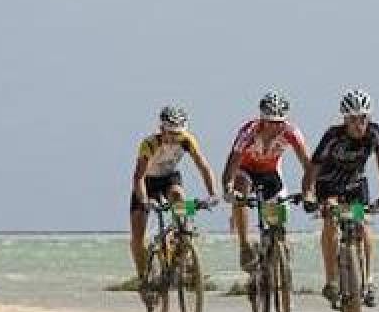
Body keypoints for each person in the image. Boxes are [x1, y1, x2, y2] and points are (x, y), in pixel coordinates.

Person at [304, 88, 379, 307]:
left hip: (355, 185)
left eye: (363, 118)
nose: (358, 124)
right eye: (353, 119)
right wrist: (308, 194)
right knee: (331, 221)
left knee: (362, 222)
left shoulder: (375, 133)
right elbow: (313, 168)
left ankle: (369, 280)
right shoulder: (333, 136)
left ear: (369, 117)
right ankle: (331, 280)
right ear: (345, 119)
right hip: (329, 185)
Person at [222, 90, 313, 270]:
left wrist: (310, 191)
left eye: (279, 123)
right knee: (241, 191)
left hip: (269, 172)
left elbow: (308, 165)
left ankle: (278, 252)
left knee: (277, 220)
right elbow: (231, 165)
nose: (275, 127)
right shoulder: (248, 133)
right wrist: (228, 188)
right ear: (262, 120)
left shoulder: (291, 132)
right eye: (270, 122)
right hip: (245, 170)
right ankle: (244, 245)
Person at [129, 105, 218, 280]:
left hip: (169, 178)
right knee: (137, 240)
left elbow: (203, 166)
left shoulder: (187, 140)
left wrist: (212, 194)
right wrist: (145, 200)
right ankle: (143, 277)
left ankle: (184, 245)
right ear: (161, 129)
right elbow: (138, 177)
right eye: (171, 133)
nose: (175, 138)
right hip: (146, 182)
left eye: (179, 133)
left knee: (179, 198)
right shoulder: (149, 144)